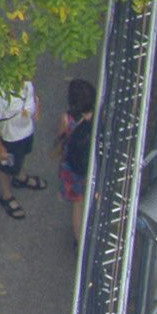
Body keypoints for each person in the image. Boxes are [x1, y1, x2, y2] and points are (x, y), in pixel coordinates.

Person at [0, 79, 46, 219]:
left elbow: (33, 95)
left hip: (26, 131)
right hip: (10, 138)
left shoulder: (27, 82)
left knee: (21, 156)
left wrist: (37, 104)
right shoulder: (1, 95)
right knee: (6, 167)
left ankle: (20, 177)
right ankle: (6, 196)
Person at [57, 78, 97, 249]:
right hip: (91, 166)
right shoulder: (99, 116)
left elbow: (61, 140)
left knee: (77, 204)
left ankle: (80, 243)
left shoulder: (67, 119)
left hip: (73, 167)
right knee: (92, 199)